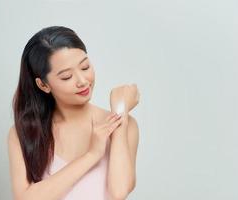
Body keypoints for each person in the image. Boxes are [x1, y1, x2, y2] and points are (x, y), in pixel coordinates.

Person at [7, 26, 140, 200]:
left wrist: (120, 111)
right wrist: (91, 155)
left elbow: (119, 192)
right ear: (43, 85)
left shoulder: (124, 125)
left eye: (85, 67)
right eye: (66, 77)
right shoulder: (25, 132)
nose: (83, 81)